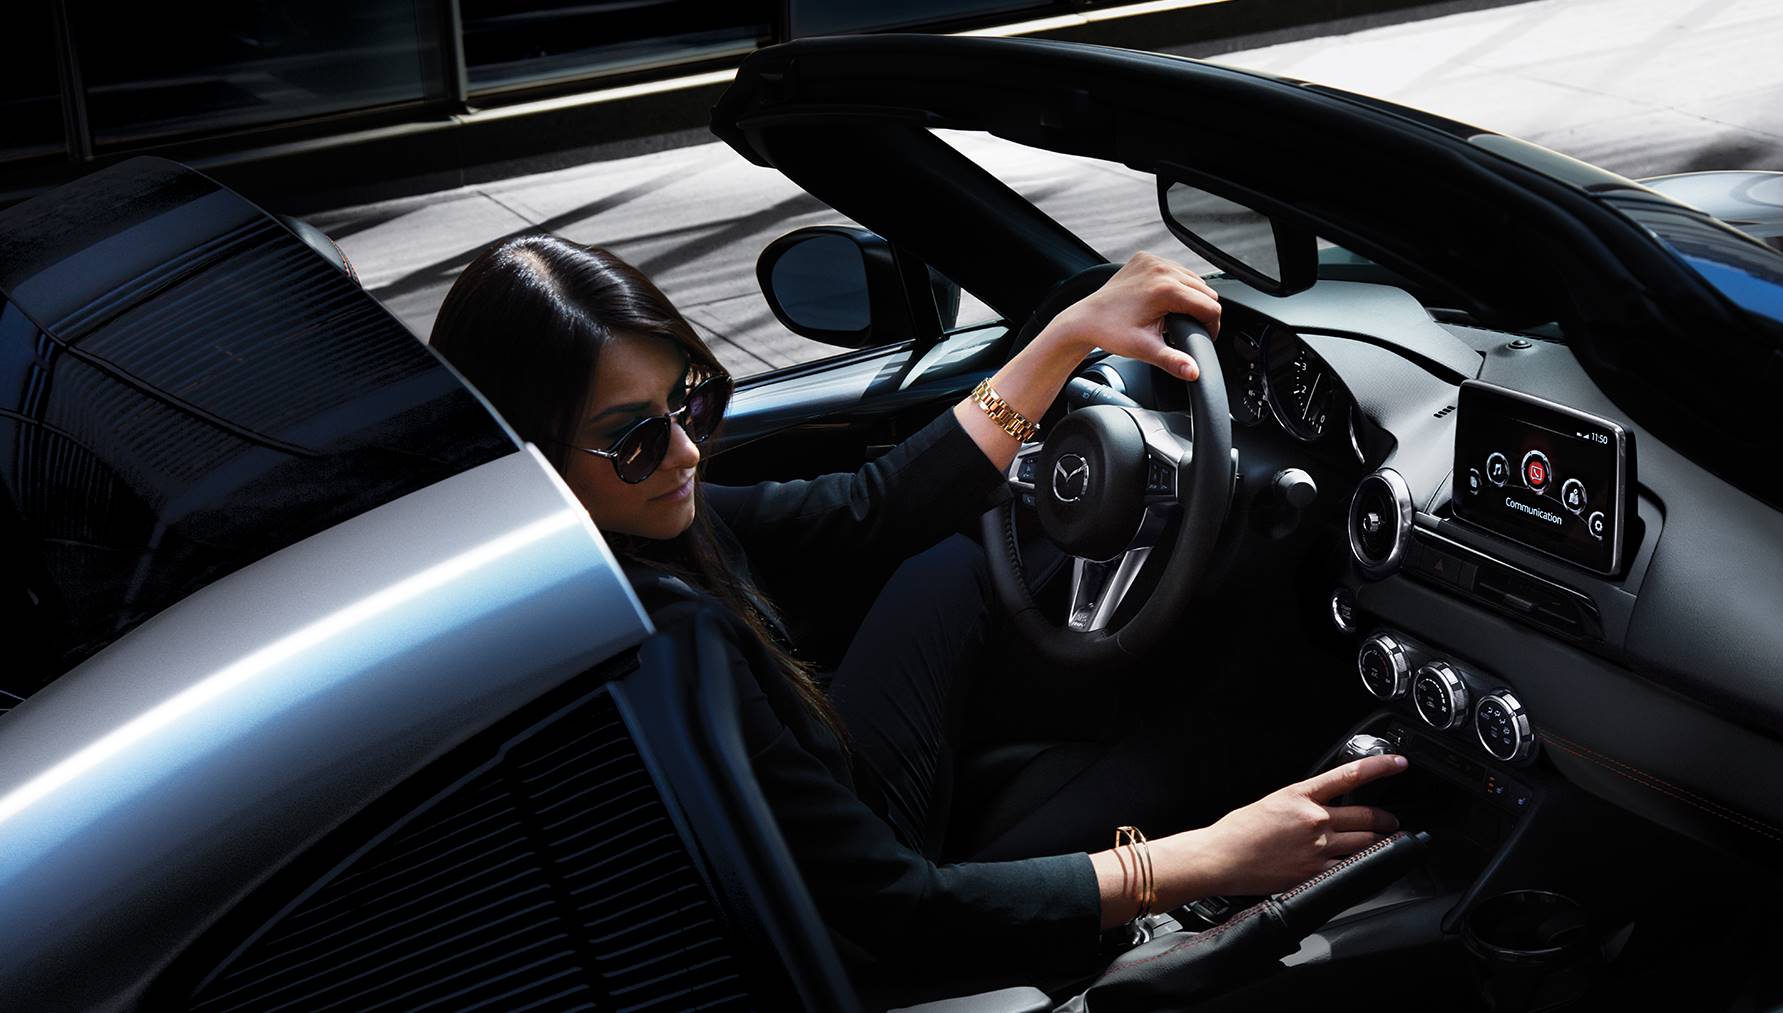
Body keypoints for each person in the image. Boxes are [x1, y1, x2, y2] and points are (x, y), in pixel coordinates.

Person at [429, 234, 1408, 991]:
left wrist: (1067, 335)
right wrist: (1206, 857)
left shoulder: (618, 536)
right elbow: (900, 908)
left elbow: (872, 510)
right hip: (854, 948)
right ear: (527, 456)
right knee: (1200, 746)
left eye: (688, 401)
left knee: (951, 559)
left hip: (814, 827)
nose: (686, 453)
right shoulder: (665, 639)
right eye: (634, 440)